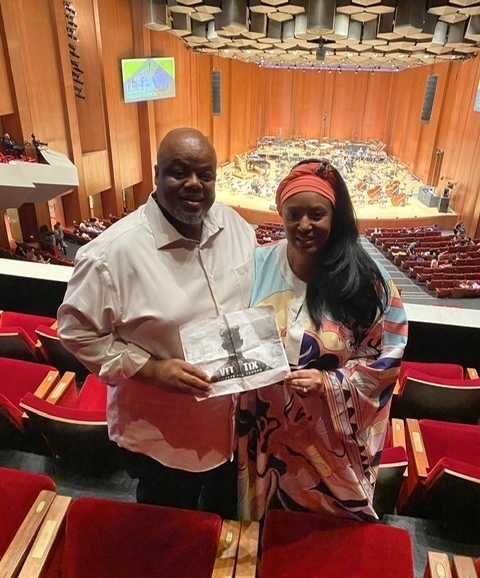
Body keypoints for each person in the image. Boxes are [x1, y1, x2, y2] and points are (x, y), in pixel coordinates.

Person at [57, 127, 256, 518]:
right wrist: (152, 369)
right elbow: (76, 332)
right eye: (179, 172)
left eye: (205, 174)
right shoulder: (111, 254)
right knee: (169, 533)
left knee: (226, 528)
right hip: (165, 438)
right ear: (156, 174)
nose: (194, 184)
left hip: (237, 429)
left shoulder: (234, 225)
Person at [238, 159, 408, 523]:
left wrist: (330, 382)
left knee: (322, 540)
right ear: (280, 214)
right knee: (267, 532)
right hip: (263, 434)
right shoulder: (254, 265)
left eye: (317, 214)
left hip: (328, 443)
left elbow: (386, 356)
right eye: (293, 214)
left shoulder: (367, 281)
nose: (304, 225)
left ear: (335, 215)